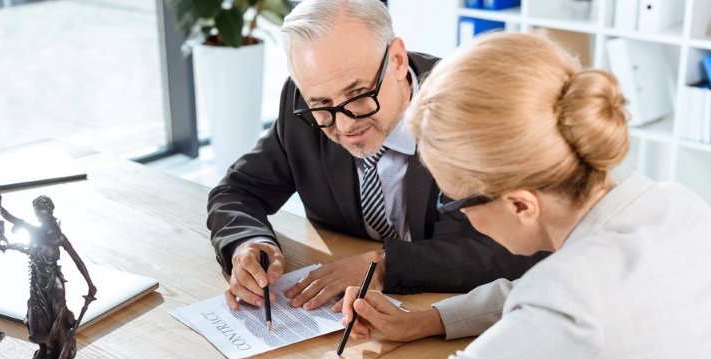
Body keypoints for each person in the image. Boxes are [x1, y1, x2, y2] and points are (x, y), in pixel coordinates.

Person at [342, 31, 711, 359]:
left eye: (453, 202)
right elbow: (555, 297)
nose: (457, 217)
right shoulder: (674, 205)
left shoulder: (571, 308)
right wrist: (428, 321)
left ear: (520, 204)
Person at [206, 0, 543, 314]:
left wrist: (386, 265)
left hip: (462, 313)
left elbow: (532, 244)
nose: (344, 125)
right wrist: (248, 242)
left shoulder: (475, 110)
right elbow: (237, 190)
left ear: (396, 60)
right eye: (322, 105)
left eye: (358, 93)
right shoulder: (301, 105)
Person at [0, 189, 97, 359]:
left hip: (54, 284)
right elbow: (9, 217)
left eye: (43, 213)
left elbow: (78, 261)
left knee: (57, 322)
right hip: (37, 283)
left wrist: (90, 284)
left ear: (50, 212)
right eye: (37, 213)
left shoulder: (59, 237)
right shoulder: (33, 230)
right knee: (35, 319)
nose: (40, 216)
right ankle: (45, 352)